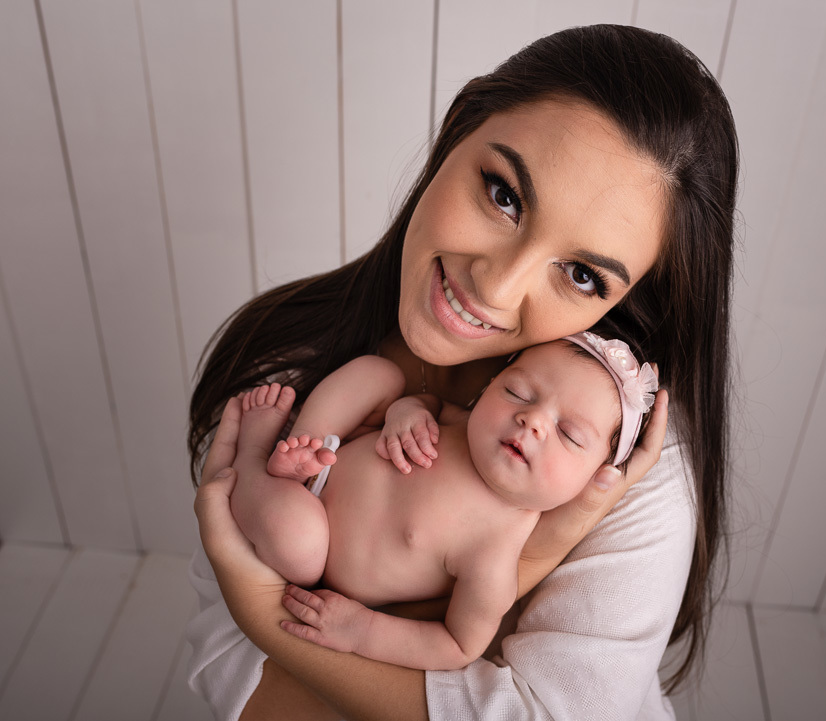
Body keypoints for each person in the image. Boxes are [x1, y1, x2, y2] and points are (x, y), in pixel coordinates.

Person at [188, 23, 738, 721]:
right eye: (504, 195)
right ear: (458, 127)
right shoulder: (293, 357)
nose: (497, 287)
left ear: (629, 300)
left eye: (580, 274)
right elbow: (232, 676)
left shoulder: (627, 474)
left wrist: (265, 615)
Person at [227, 333, 658, 671]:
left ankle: (253, 456)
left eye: (569, 435)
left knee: (297, 543)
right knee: (380, 375)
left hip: (317, 542)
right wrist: (407, 412)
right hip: (329, 456)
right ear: (489, 387)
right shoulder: (462, 421)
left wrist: (362, 630)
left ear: (593, 479)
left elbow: (457, 646)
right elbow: (425, 401)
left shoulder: (494, 555)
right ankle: (302, 446)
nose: (534, 420)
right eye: (518, 393)